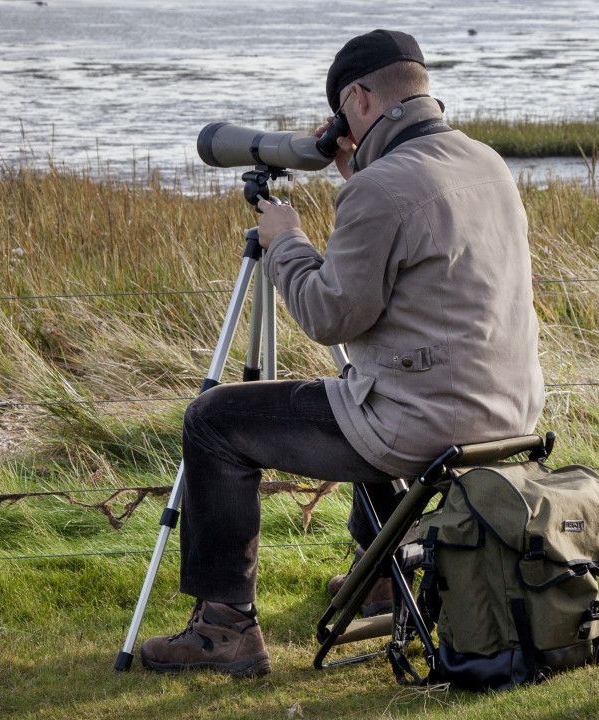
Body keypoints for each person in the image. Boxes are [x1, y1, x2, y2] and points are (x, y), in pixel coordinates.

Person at [138, 29, 544, 678]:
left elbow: (329, 316)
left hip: (425, 423)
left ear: (356, 98)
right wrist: (364, 173)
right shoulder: (485, 162)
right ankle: (382, 575)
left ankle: (225, 631)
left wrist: (286, 241)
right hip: (508, 413)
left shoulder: (381, 189)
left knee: (213, 420)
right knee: (360, 384)